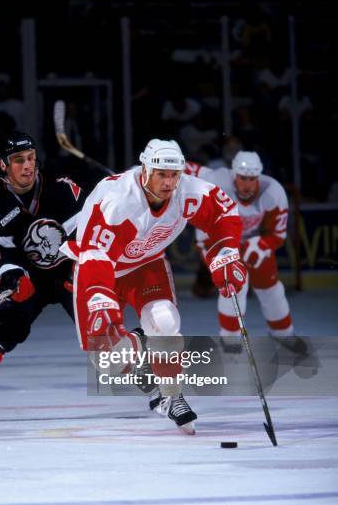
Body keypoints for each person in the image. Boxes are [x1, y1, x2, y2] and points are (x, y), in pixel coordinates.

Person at [64, 139, 247, 434]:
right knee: (110, 365)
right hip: (99, 269)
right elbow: (95, 256)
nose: (169, 182)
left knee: (164, 320)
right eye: (161, 174)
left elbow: (224, 214)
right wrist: (99, 299)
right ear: (145, 170)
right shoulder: (117, 202)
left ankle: (171, 396)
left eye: (174, 175)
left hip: (146, 265)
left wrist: (225, 253)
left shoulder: (188, 191)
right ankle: (143, 345)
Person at [0, 131, 107, 421]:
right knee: (4, 329)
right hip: (27, 281)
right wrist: (13, 278)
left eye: (31, 158)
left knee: (101, 328)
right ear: (3, 165)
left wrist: (80, 269)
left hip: (69, 271)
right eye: (18, 160)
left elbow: (90, 234)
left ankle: (159, 390)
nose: (28, 165)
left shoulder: (62, 188)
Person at [195, 150, 304, 352]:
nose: (247, 184)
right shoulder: (216, 182)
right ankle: (230, 340)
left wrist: (262, 245)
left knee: (271, 289)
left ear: (259, 176)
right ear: (234, 175)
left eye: (252, 179)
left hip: (254, 243)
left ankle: (283, 334)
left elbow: (277, 235)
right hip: (217, 240)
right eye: (243, 178)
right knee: (234, 286)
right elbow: (187, 170)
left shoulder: (273, 192)